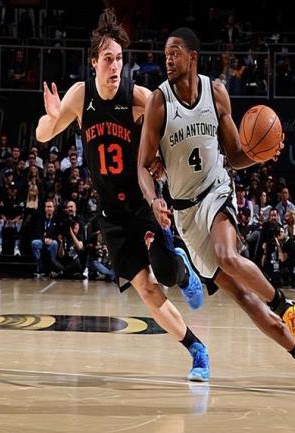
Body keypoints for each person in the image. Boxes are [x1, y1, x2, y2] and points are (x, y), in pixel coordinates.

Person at [138, 27, 295, 393]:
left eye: (175, 52)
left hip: (217, 191)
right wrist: (153, 199)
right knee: (244, 298)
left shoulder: (216, 93)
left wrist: (259, 156)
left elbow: (236, 154)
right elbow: (143, 166)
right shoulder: (159, 102)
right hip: (185, 213)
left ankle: (289, 308)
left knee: (227, 254)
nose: (168, 59)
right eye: (166, 54)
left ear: (193, 56)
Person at [35, 9, 209, 382]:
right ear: (94, 62)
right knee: (146, 289)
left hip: (142, 202)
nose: (115, 66)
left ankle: (182, 271)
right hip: (110, 214)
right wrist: (51, 117)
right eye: (108, 59)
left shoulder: (138, 96)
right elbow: (42, 135)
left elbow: (177, 124)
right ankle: (197, 350)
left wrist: (162, 158)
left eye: (119, 59)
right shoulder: (80, 96)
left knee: (164, 271)